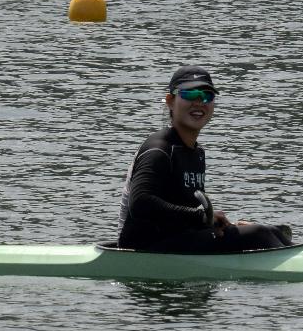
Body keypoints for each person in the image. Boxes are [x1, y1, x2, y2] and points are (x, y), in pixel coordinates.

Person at [117, 65, 292, 252]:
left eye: (207, 96)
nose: (199, 102)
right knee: (259, 234)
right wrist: (202, 217)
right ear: (170, 101)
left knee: (271, 230)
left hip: (175, 240)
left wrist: (216, 224)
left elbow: (182, 214)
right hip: (143, 249)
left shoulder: (196, 152)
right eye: (189, 95)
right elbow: (141, 203)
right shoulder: (159, 149)